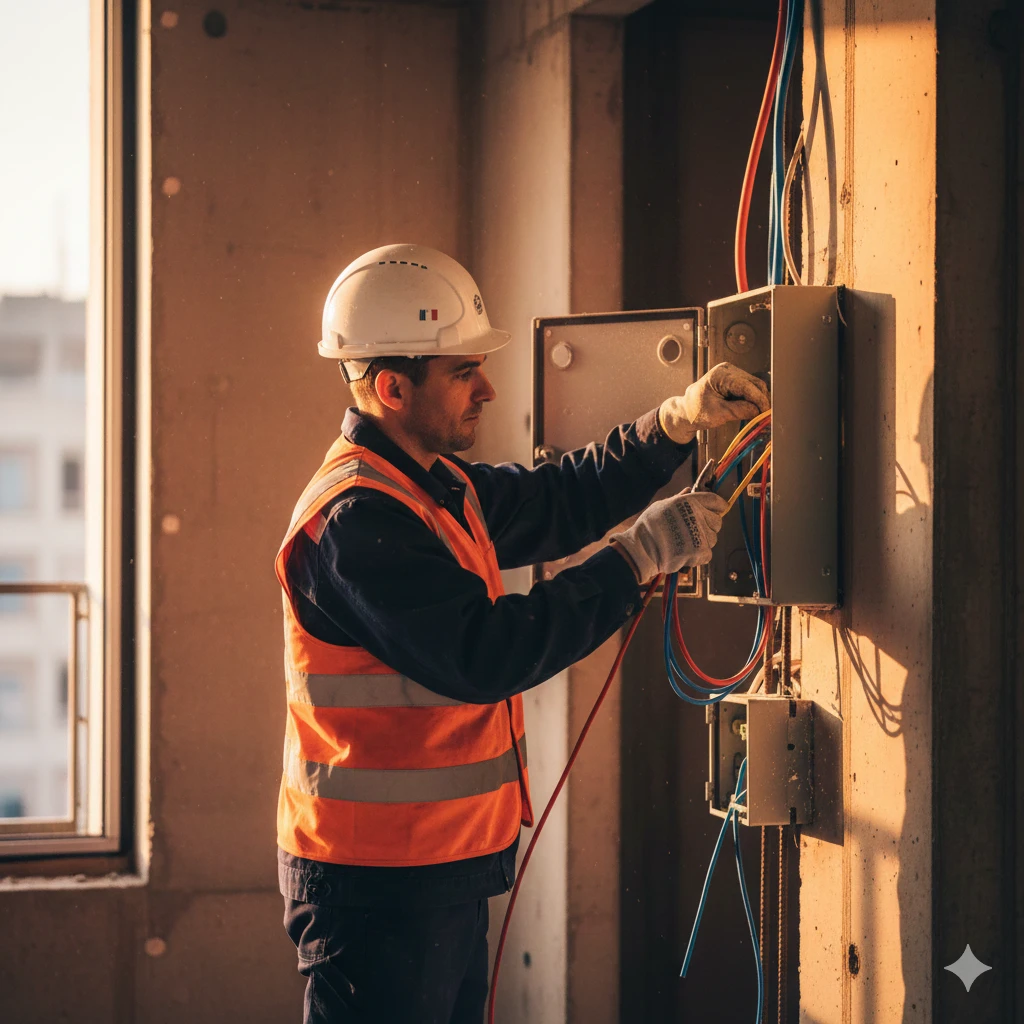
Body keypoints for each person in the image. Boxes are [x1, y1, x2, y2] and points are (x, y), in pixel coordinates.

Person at [275, 243, 770, 1024]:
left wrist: (675, 424)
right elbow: (486, 652)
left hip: (436, 866)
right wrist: (639, 554)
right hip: (374, 888)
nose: (488, 388)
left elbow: (554, 501)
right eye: (463, 373)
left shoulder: (433, 486)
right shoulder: (357, 521)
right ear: (392, 387)